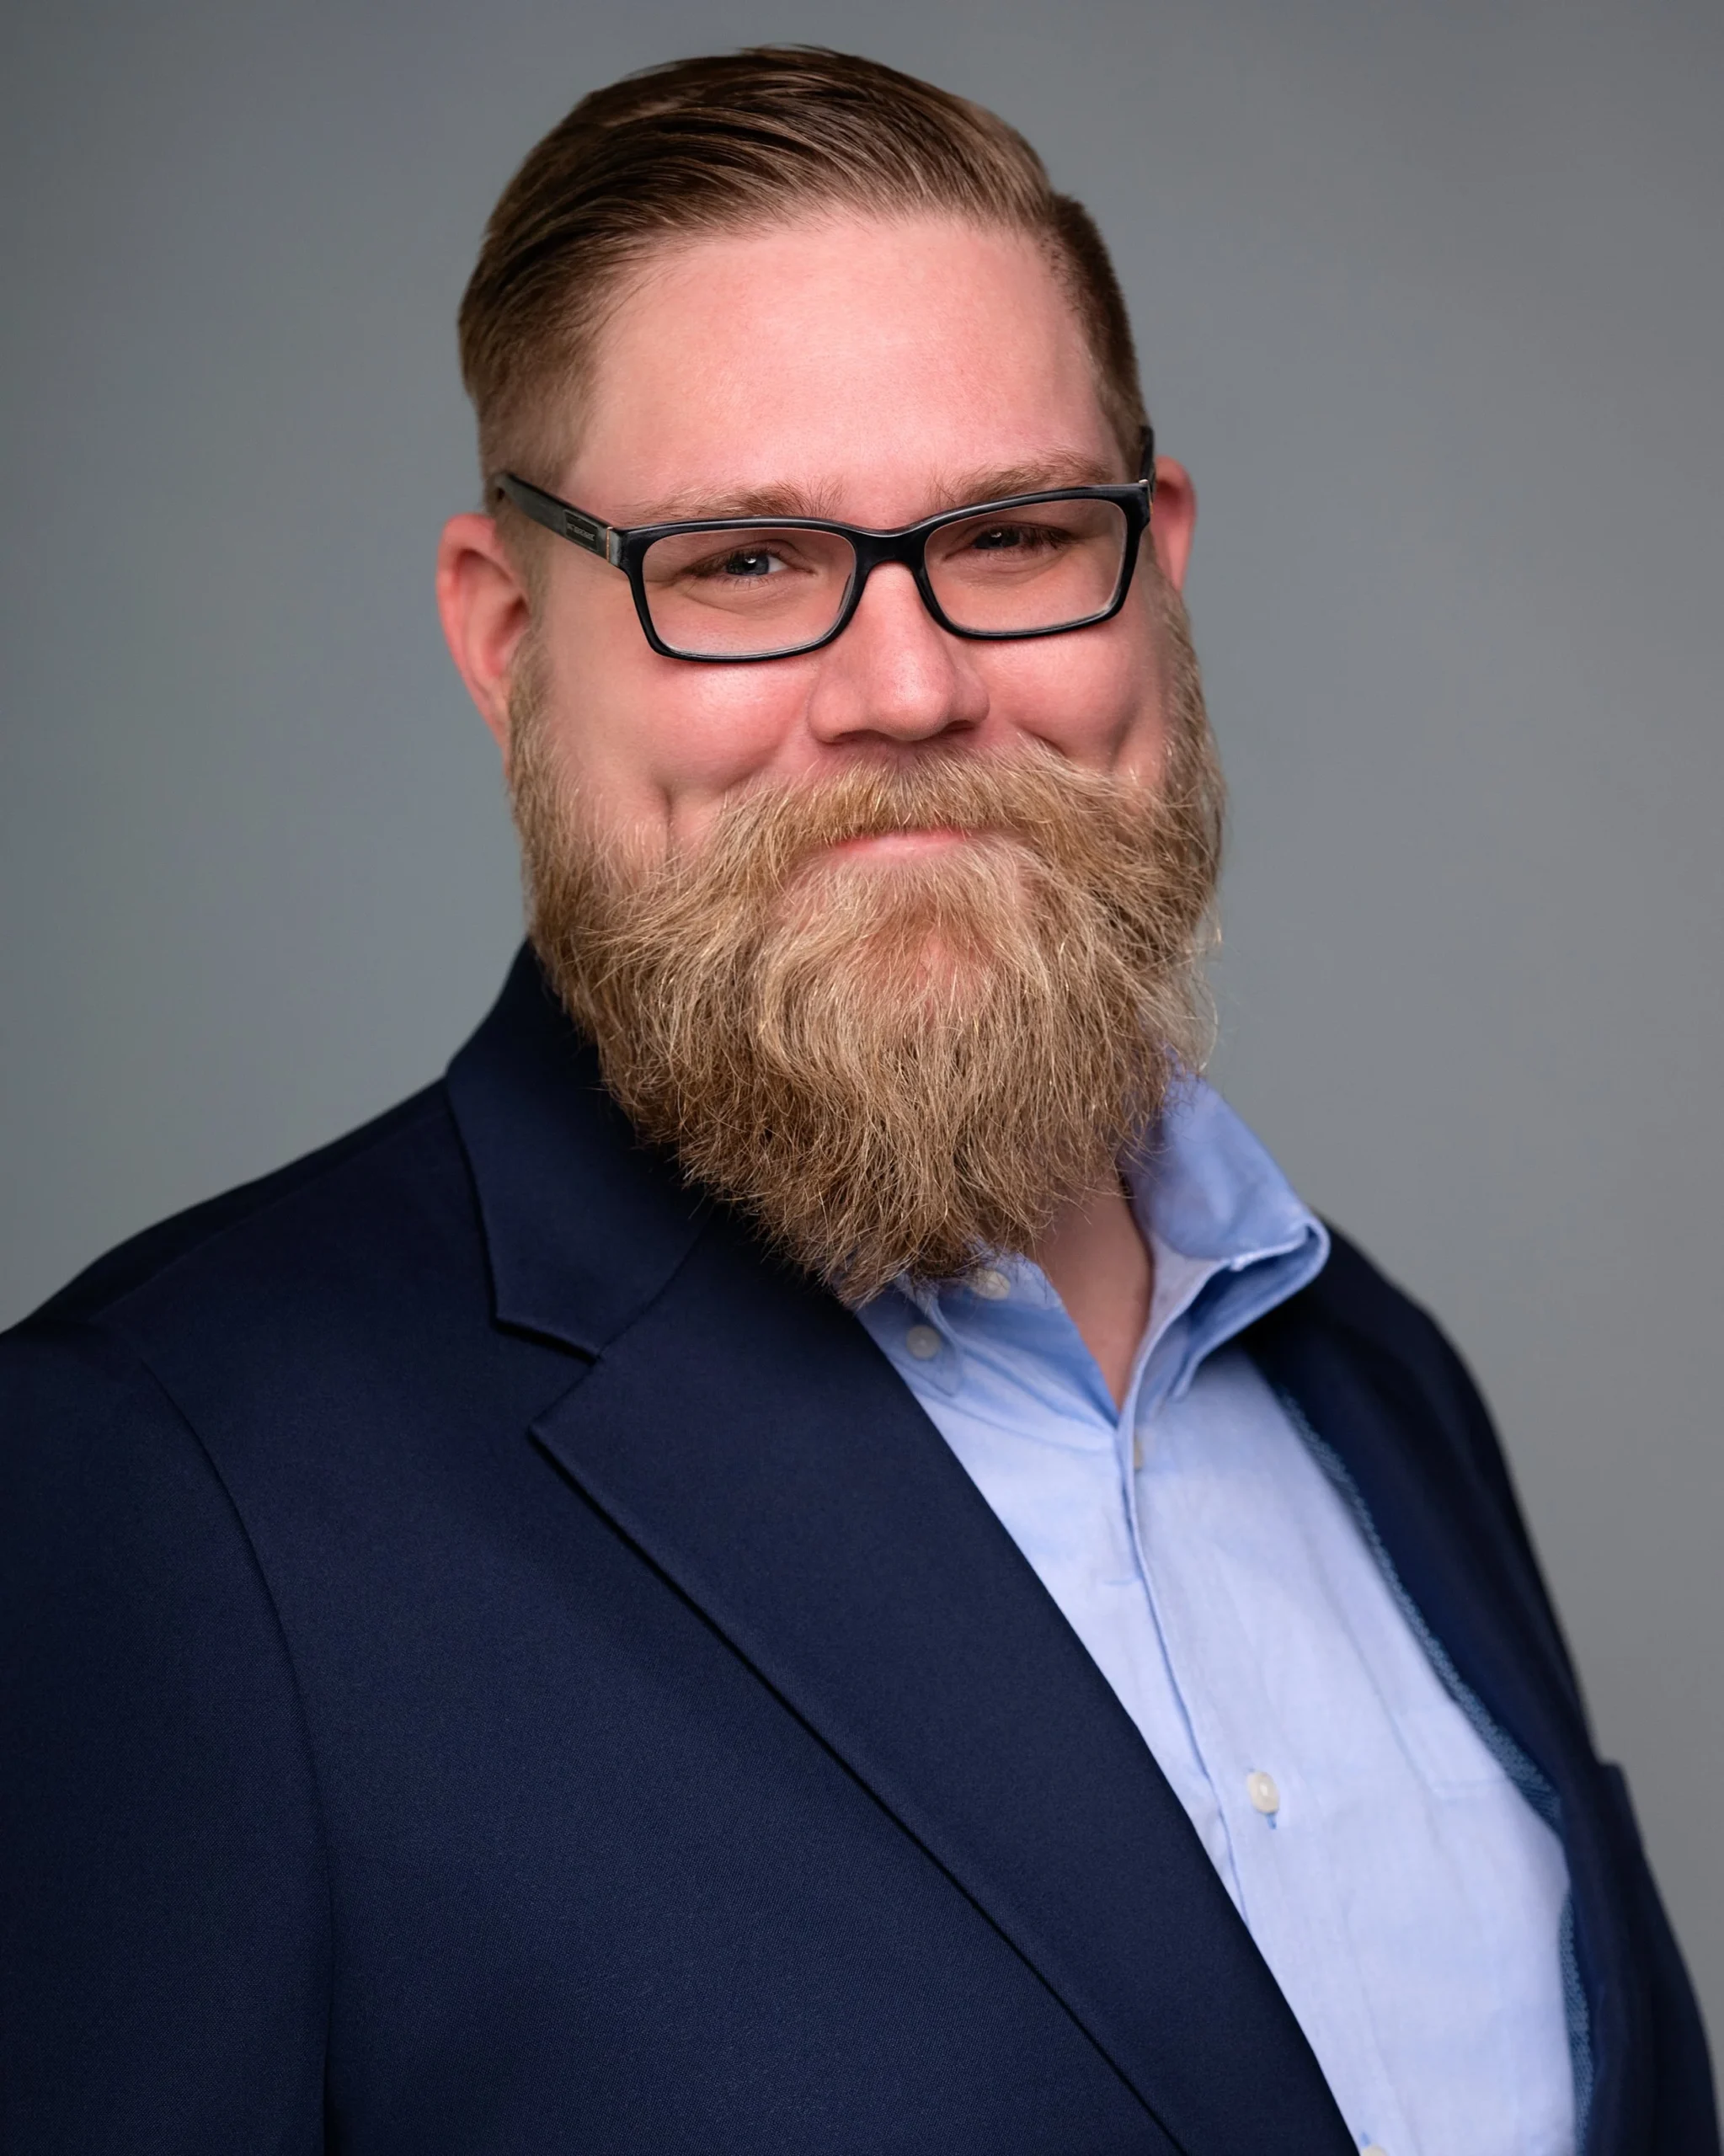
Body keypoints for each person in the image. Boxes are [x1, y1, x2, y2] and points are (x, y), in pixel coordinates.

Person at [1, 45, 1712, 2156]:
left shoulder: (1381, 1385)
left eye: (1009, 533)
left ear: (1155, 565)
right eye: (738, 563)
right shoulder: (169, 1486)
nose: (908, 685)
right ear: (504, 635)